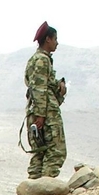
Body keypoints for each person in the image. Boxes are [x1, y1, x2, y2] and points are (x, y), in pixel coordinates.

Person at [24, 22, 67, 179]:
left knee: (40, 153)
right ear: (48, 39)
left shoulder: (34, 60)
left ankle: (34, 191)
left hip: (35, 110)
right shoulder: (42, 60)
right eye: (55, 39)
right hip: (46, 113)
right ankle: (44, 188)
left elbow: (37, 83)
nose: (57, 43)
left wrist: (59, 85)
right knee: (56, 151)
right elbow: (39, 87)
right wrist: (41, 115)